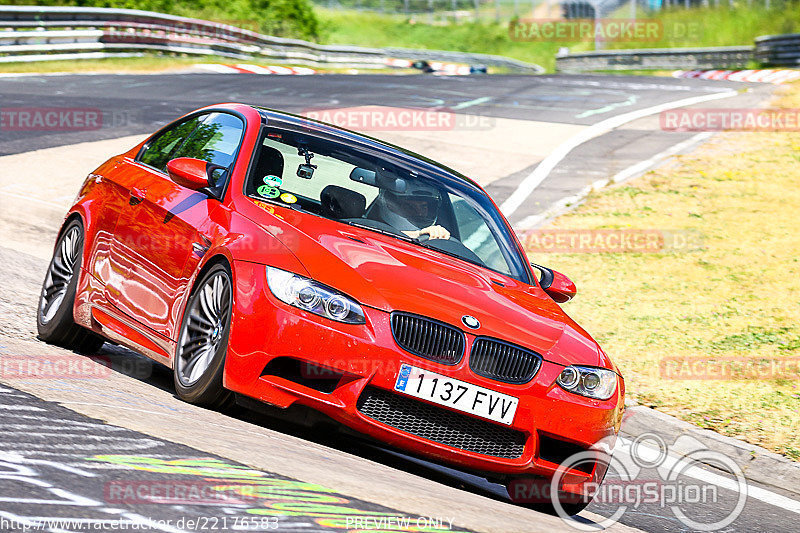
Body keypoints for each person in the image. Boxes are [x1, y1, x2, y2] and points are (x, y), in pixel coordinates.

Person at [371, 182, 450, 240]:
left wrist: (439, 234)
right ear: (390, 206)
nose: (419, 213)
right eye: (410, 207)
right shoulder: (367, 228)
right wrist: (418, 234)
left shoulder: (430, 236)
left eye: (424, 207)